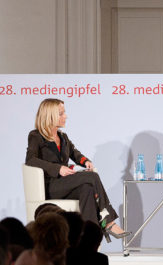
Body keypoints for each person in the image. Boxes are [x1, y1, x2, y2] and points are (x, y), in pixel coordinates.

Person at [25, 98, 127, 241]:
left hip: (66, 185)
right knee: (92, 177)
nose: (65, 116)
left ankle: (90, 238)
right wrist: (58, 168)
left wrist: (85, 161)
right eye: (61, 113)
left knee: (87, 189)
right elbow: (30, 160)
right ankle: (108, 222)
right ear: (50, 115)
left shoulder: (63, 136)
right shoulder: (36, 136)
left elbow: (74, 153)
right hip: (51, 186)